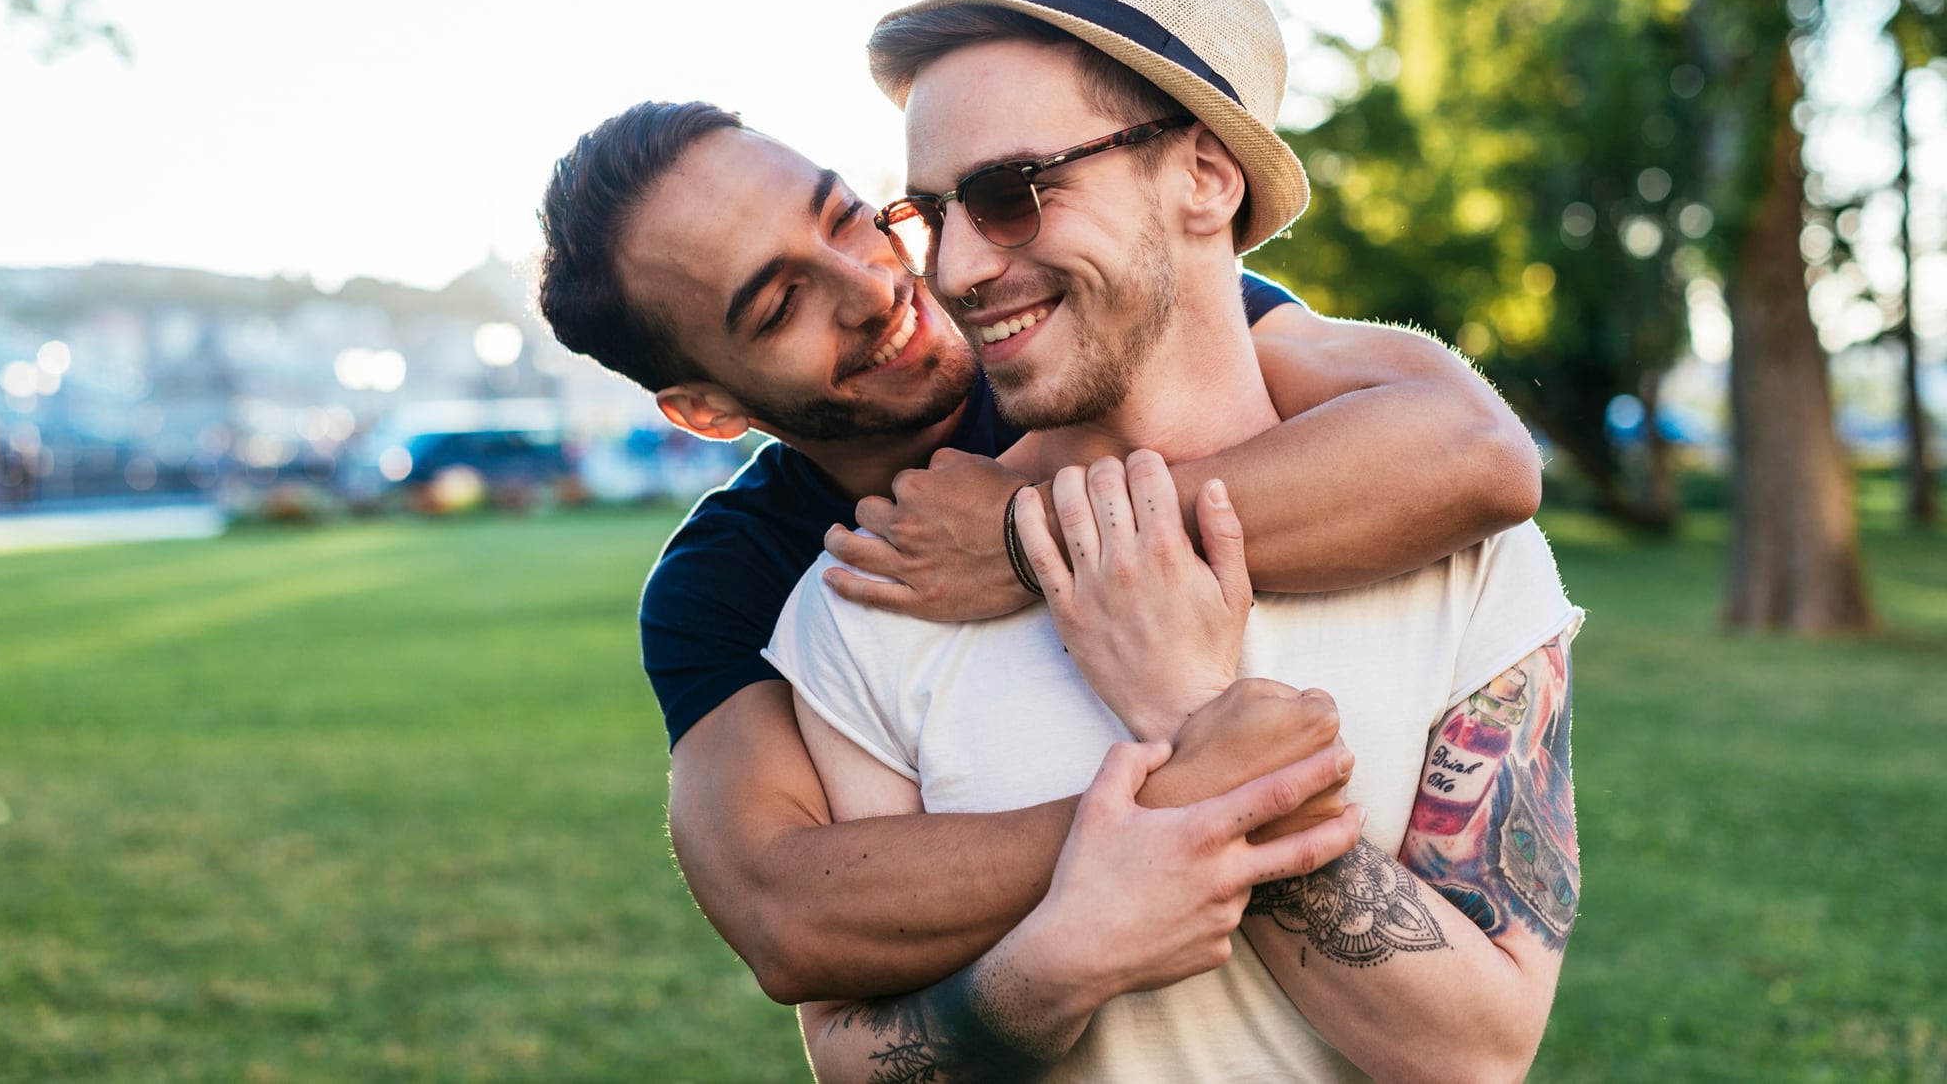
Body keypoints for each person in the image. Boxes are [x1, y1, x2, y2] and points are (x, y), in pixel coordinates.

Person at [533, 53, 1545, 1007]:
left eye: (845, 220)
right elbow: (783, 909)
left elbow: (1472, 451)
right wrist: (1171, 806)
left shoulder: (1079, 318)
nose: (875, 287)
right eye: (780, 304)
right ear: (707, 408)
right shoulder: (728, 575)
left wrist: (1023, 541)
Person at [762, 0, 1583, 1080]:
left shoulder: (1472, 566)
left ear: (1203, 175)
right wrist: (1056, 966)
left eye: (1009, 192)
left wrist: (1188, 710)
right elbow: (854, 1059)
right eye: (929, 213)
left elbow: (1475, 1053)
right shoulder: (875, 593)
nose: (953, 269)